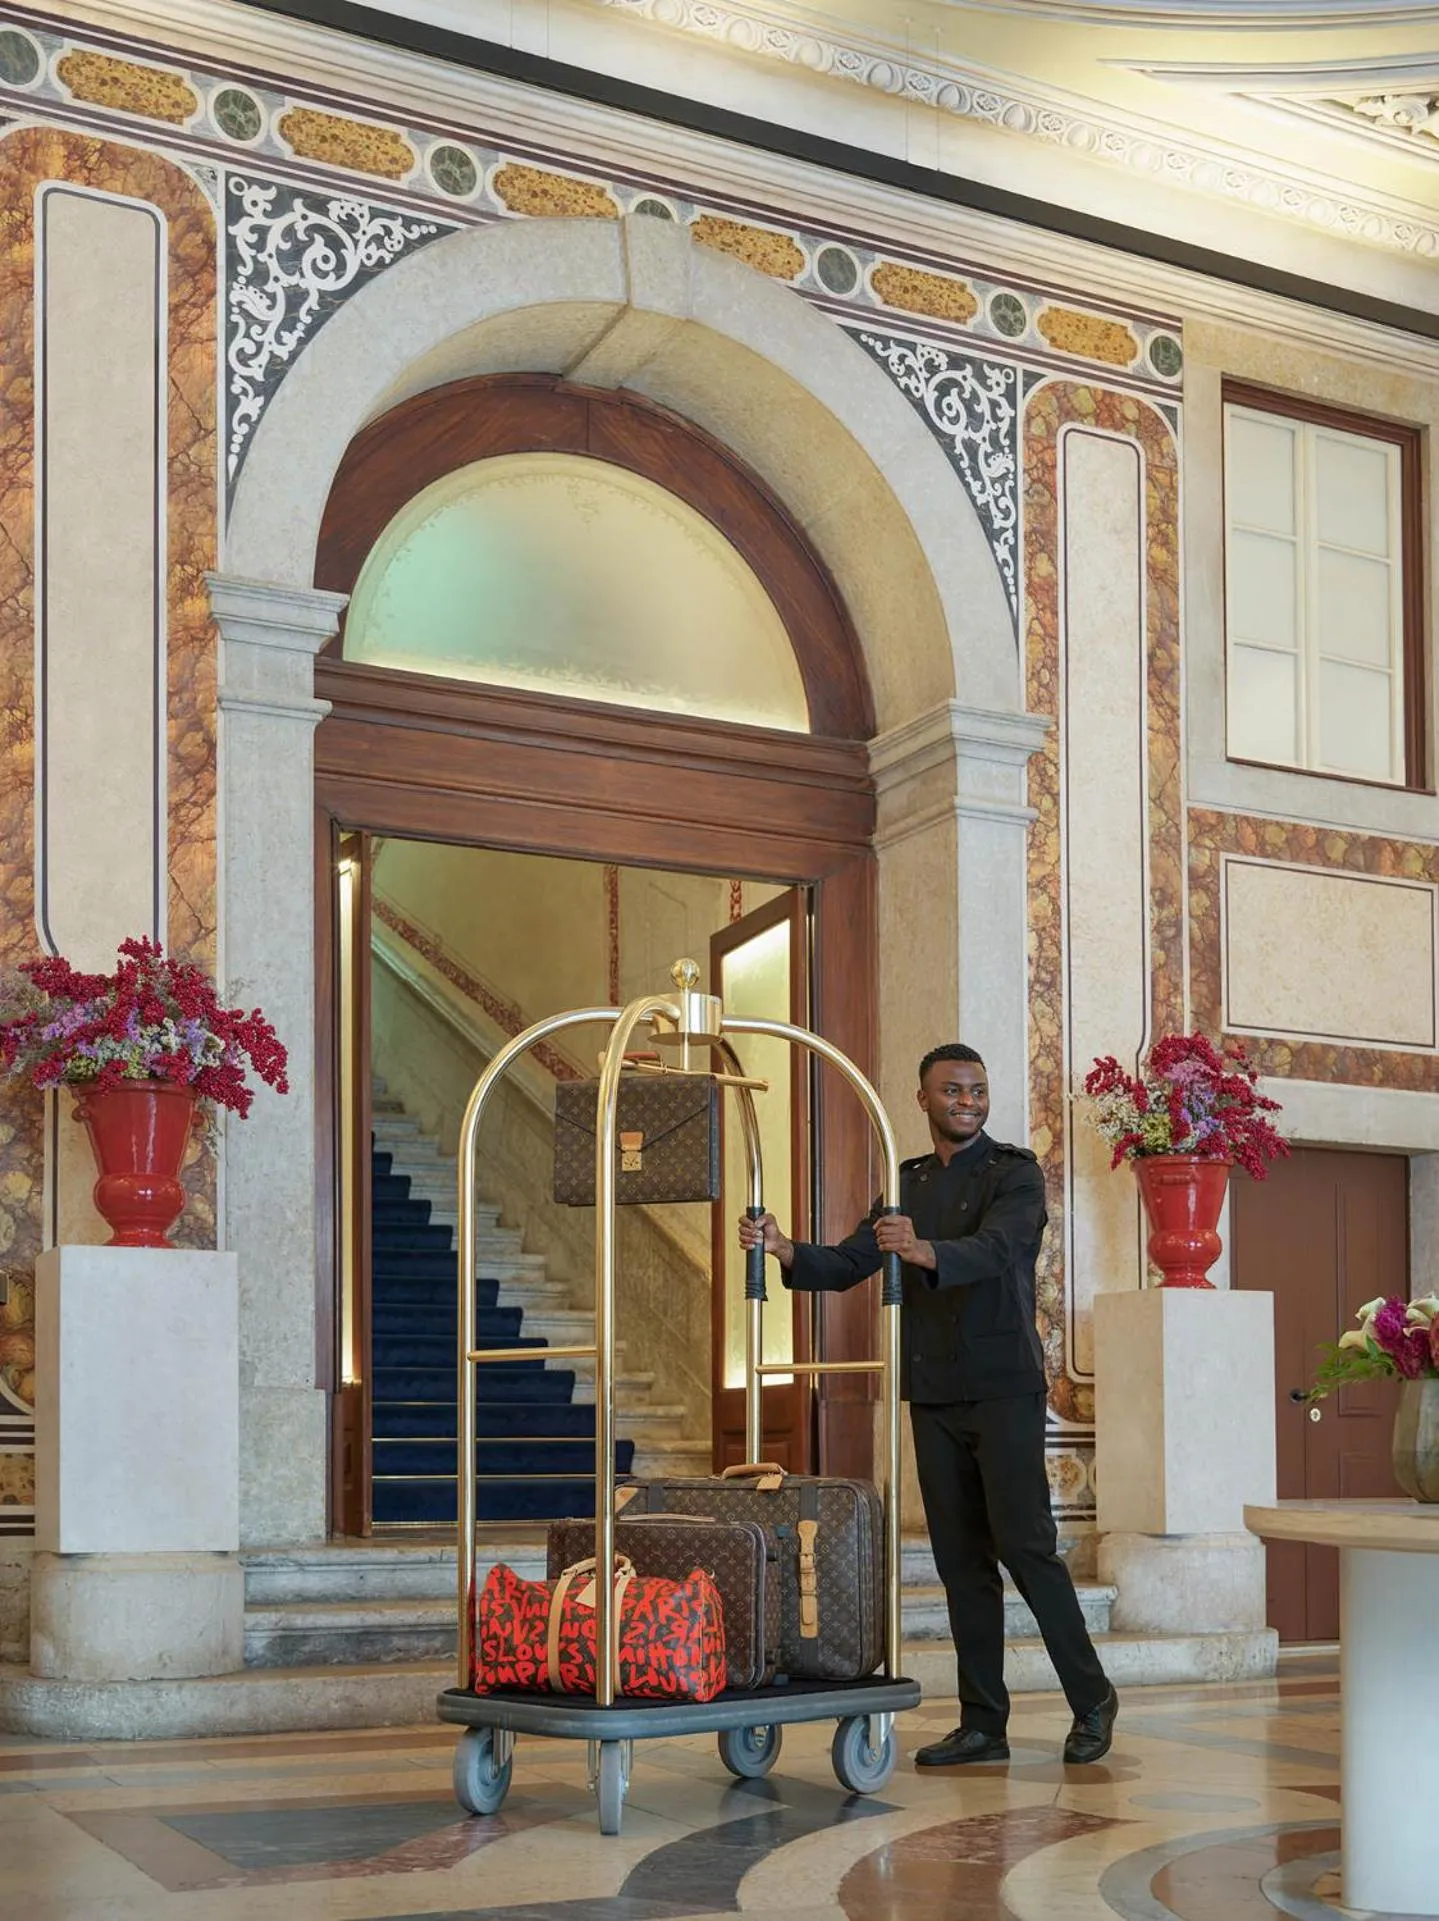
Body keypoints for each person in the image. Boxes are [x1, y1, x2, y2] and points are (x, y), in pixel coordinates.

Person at [738, 1042, 1118, 1767]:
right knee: (959, 1560)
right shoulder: (905, 1183)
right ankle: (983, 1723)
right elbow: (853, 1259)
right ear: (923, 1098)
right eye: (951, 1089)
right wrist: (786, 1250)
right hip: (934, 1390)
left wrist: (922, 1252)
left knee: (1027, 1549)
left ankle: (1091, 1696)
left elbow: (1000, 1248)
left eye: (976, 1088)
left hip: (1004, 1383)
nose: (966, 1100)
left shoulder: (1016, 1173)